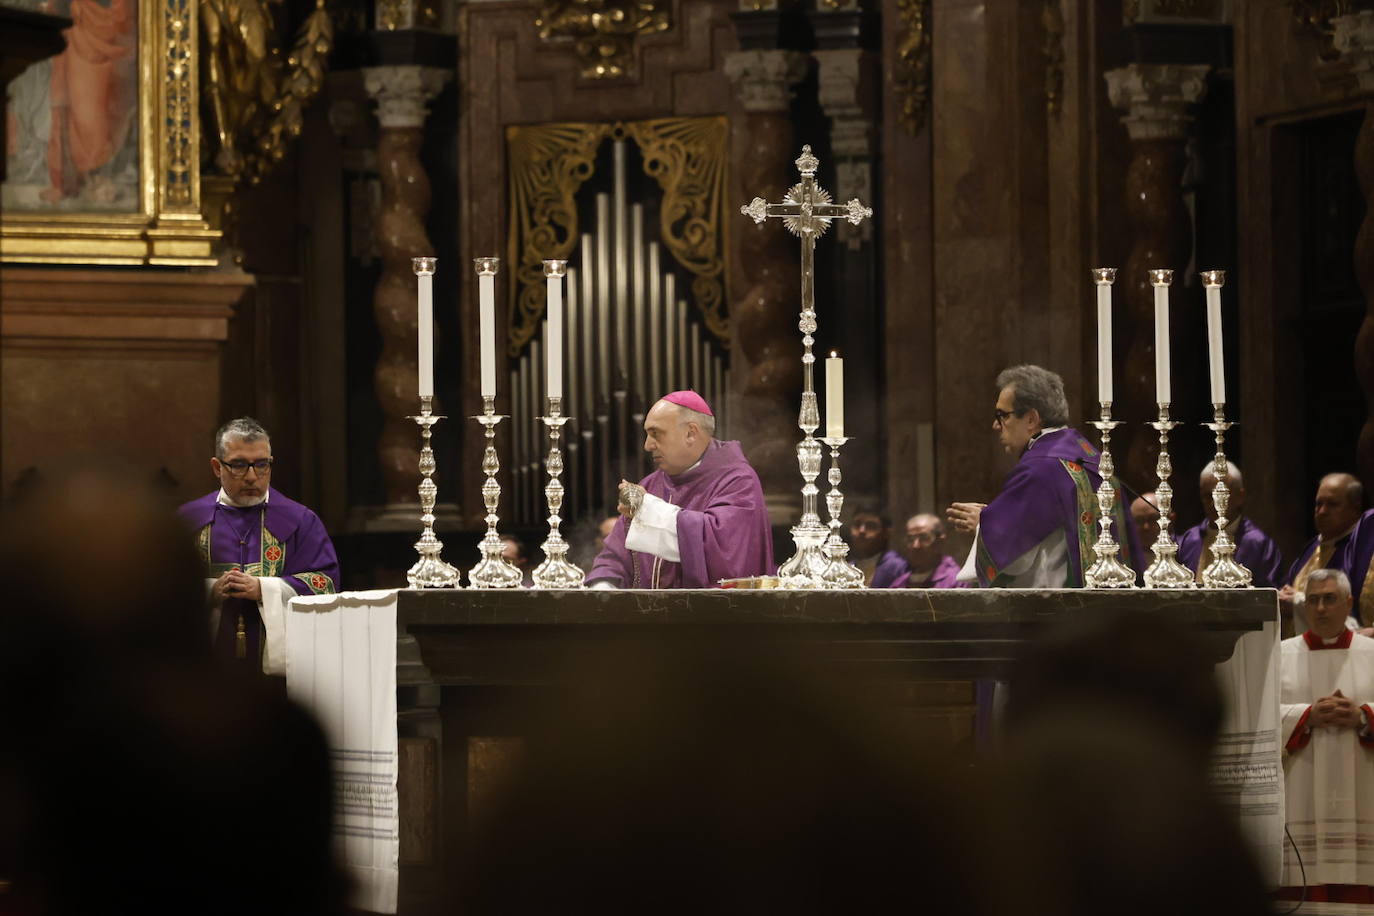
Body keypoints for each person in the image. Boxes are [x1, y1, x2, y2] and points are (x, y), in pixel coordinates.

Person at [946, 365, 1142, 587]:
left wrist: (983, 525)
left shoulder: (1040, 469)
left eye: (1002, 415)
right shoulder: (1092, 459)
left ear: (1031, 419)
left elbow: (1016, 562)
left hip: (1062, 615)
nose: (995, 425)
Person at [177, 417, 340, 674]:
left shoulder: (301, 521)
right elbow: (156, 588)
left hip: (278, 679)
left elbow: (325, 583)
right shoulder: (188, 522)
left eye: (262, 465)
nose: (252, 477)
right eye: (240, 465)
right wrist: (209, 590)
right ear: (217, 467)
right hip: (202, 672)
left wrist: (264, 589)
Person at [586, 391, 773, 589]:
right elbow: (614, 558)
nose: (647, 445)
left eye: (656, 433)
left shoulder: (737, 481)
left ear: (691, 433)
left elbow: (720, 548)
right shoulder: (651, 485)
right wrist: (603, 587)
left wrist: (647, 509)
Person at [1276, 569, 1374, 905]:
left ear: (1348, 604)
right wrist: (1305, 716)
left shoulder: (1372, 653)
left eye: (1329, 599)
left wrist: (1364, 715)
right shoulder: (1281, 655)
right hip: (1301, 795)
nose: (1319, 608)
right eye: (1313, 600)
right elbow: (1260, 721)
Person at [1175, 461, 1283, 588]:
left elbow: (1269, 596)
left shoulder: (1257, 543)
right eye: (1207, 496)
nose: (1213, 504)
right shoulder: (1189, 540)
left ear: (1240, 496)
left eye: (1221, 496)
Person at [1280, 473, 1364, 633]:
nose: (1322, 511)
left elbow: (1350, 612)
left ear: (1355, 507)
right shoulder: (1313, 546)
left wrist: (1297, 602)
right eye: (1319, 504)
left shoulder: (1357, 551)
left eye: (1332, 504)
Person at [892, 513, 964, 588]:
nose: (916, 546)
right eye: (910, 539)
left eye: (924, 538)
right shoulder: (899, 584)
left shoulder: (956, 581)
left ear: (939, 541)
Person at [847, 506, 909, 588]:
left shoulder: (897, 567)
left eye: (870, 526)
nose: (862, 531)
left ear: (886, 532)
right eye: (857, 524)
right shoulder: (848, 568)